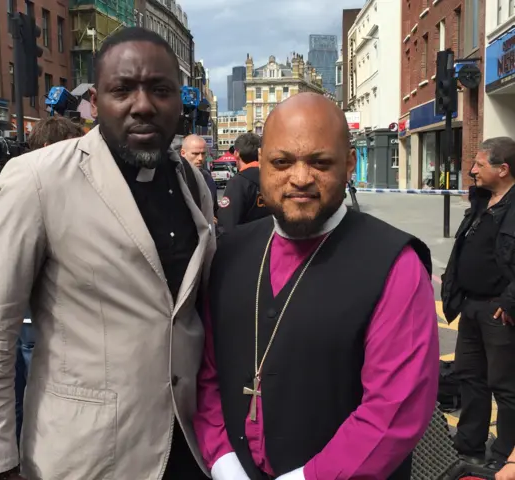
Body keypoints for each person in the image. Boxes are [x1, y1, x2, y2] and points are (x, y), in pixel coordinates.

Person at [0, 27, 215, 480]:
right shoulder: (38, 180)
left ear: (180, 99)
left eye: (160, 90)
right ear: (95, 100)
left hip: (188, 447)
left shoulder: (192, 184)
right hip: (85, 456)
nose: (143, 105)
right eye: (122, 90)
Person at [193, 93, 439, 480]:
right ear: (264, 168)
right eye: (282, 162)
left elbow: (395, 411)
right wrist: (224, 463)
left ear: (348, 165)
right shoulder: (230, 253)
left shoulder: (395, 265)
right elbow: (206, 375)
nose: (301, 178)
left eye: (320, 162)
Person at [441, 137, 515, 468]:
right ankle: (469, 443)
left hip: (499, 311)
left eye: (479, 164)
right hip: (470, 305)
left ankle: (504, 455)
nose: (472, 170)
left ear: (503, 169)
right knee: (470, 377)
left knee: (505, 386)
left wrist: (510, 301)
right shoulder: (482, 201)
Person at [13, 115, 84, 445]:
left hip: (66, 322)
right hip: (34, 314)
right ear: (46, 149)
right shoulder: (24, 188)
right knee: (35, 388)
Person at [217, 133, 269, 232]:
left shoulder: (238, 182)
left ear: (236, 153)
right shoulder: (274, 178)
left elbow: (227, 224)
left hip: (246, 243)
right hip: (272, 242)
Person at [181, 134, 218, 216]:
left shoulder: (208, 178)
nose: (200, 158)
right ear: (183, 153)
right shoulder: (175, 177)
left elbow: (214, 209)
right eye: (195, 154)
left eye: (203, 153)